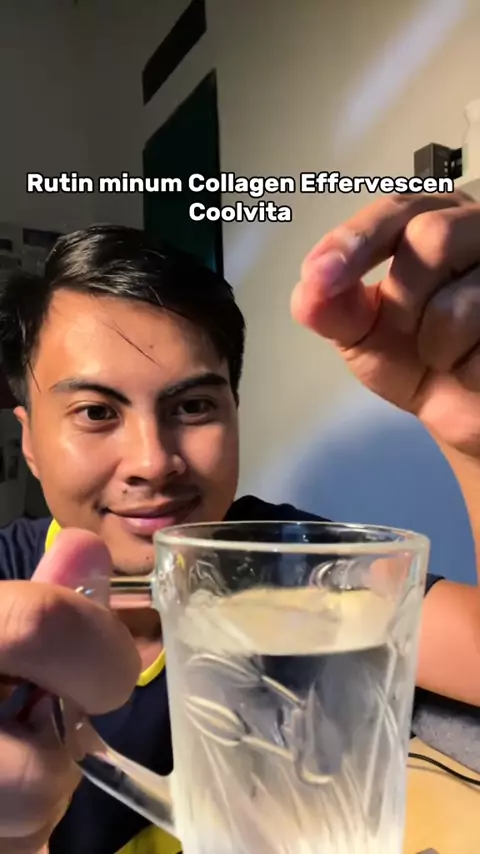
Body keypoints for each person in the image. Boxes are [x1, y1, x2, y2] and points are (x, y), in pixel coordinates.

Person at [0, 190, 480, 853]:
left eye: (193, 406)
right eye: (97, 413)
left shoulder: (285, 563)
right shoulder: (7, 581)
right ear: (29, 440)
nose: (153, 462)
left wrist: (472, 440)